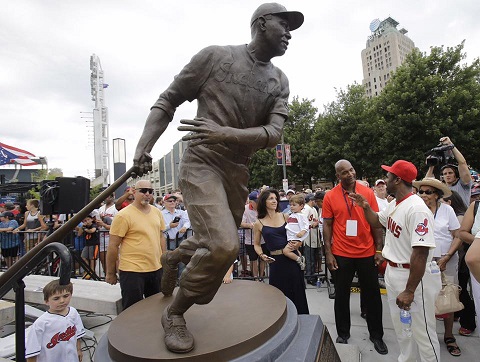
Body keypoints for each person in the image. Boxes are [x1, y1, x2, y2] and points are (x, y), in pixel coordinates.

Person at [131, 3, 304, 353]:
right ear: (261, 23)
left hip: (237, 169)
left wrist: (224, 133)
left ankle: (176, 256)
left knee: (215, 238)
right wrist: (143, 149)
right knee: (225, 245)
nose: (289, 34)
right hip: (202, 163)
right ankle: (176, 313)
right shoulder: (214, 57)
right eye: (283, 25)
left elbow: (273, 133)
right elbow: (167, 102)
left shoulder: (280, 80)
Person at [349, 160, 441, 362]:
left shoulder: (417, 209)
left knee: (423, 333)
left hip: (413, 277)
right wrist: (365, 206)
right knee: (402, 329)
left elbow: (421, 253)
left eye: (390, 176)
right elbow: (376, 221)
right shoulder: (395, 203)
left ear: (398, 180)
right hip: (393, 271)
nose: (386, 179)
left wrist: (409, 290)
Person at [322, 159, 387, 354]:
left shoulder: (367, 193)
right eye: (344, 172)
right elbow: (327, 224)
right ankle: (343, 333)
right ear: (338, 176)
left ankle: (377, 336)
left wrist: (378, 249)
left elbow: (375, 222)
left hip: (366, 252)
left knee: (373, 296)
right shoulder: (330, 196)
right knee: (341, 295)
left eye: (351, 170)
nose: (350, 174)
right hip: (342, 253)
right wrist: (328, 252)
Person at [413, 177, 462, 356]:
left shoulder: (447, 210)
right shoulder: (417, 210)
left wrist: (447, 257)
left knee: (447, 298)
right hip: (422, 260)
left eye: (428, 192)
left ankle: (449, 336)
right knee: (423, 299)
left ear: (437, 195)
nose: (424, 195)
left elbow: (458, 235)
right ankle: (427, 336)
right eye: (421, 191)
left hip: (446, 260)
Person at [106, 180, 167, 310]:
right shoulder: (123, 215)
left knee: (157, 308)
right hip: (132, 271)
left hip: (156, 269)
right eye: (143, 191)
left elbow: (161, 236)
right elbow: (113, 245)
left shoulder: (157, 212)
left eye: (150, 191)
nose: (147, 194)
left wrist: (164, 260)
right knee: (132, 311)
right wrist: (110, 272)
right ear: (134, 192)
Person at [253, 189, 309, 314]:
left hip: (291, 259)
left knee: (297, 293)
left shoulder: (286, 216)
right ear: (264, 202)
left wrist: (298, 243)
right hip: (276, 263)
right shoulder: (258, 223)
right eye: (271, 198)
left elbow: (301, 231)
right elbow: (256, 244)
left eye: (275, 198)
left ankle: (302, 320)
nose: (275, 201)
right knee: (279, 296)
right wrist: (262, 255)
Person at [25, 279, 85, 362]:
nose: (62, 301)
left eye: (66, 296)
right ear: (46, 301)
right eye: (56, 298)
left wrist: (78, 350)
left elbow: (78, 335)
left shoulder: (73, 312)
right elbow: (32, 351)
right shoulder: (41, 323)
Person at [426, 136, 472, 208]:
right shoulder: (440, 188)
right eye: (445, 173)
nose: (447, 175)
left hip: (462, 217)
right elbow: (426, 183)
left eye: (450, 173)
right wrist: (431, 166)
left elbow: (462, 163)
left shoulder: (463, 185)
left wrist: (451, 145)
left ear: (456, 175)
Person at [459, 198, 480, 331]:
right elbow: (462, 233)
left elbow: (472, 258)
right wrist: (477, 240)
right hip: (476, 268)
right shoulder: (476, 206)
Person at [240, 191, 267, 280]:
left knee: (263, 258)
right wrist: (251, 225)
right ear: (251, 202)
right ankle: (255, 277)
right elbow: (241, 223)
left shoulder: (263, 208)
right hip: (250, 239)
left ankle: (261, 276)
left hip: (263, 239)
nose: (258, 203)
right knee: (253, 259)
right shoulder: (245, 209)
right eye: (256, 201)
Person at [284, 194, 309, 270]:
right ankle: (301, 258)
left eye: (294, 205)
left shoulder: (301, 216)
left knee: (286, 251)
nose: (291, 206)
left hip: (295, 237)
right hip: (291, 237)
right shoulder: (292, 215)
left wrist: (302, 232)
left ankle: (299, 259)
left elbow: (306, 225)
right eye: (290, 205)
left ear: (301, 206)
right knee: (296, 250)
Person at [96, 194, 118, 274]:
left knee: (114, 258)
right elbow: (97, 222)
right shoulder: (101, 208)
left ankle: (114, 274)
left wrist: (104, 224)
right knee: (103, 257)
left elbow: (116, 225)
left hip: (112, 237)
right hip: (102, 236)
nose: (106, 198)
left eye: (108, 196)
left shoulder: (115, 208)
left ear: (112, 197)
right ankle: (106, 274)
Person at [303, 193, 320, 285]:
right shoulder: (306, 208)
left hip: (313, 235)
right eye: (313, 200)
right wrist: (311, 225)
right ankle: (310, 276)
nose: (314, 201)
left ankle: (311, 274)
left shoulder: (313, 209)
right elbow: (303, 221)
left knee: (313, 257)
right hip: (308, 236)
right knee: (310, 258)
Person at [79, 214, 99, 280]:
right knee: (83, 257)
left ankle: (92, 271)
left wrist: (86, 229)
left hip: (94, 244)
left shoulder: (94, 225)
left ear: (91, 219)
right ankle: (88, 270)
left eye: (88, 220)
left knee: (92, 258)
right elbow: (79, 234)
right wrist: (82, 227)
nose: (87, 221)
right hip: (87, 244)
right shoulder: (84, 227)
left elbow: (92, 231)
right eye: (85, 220)